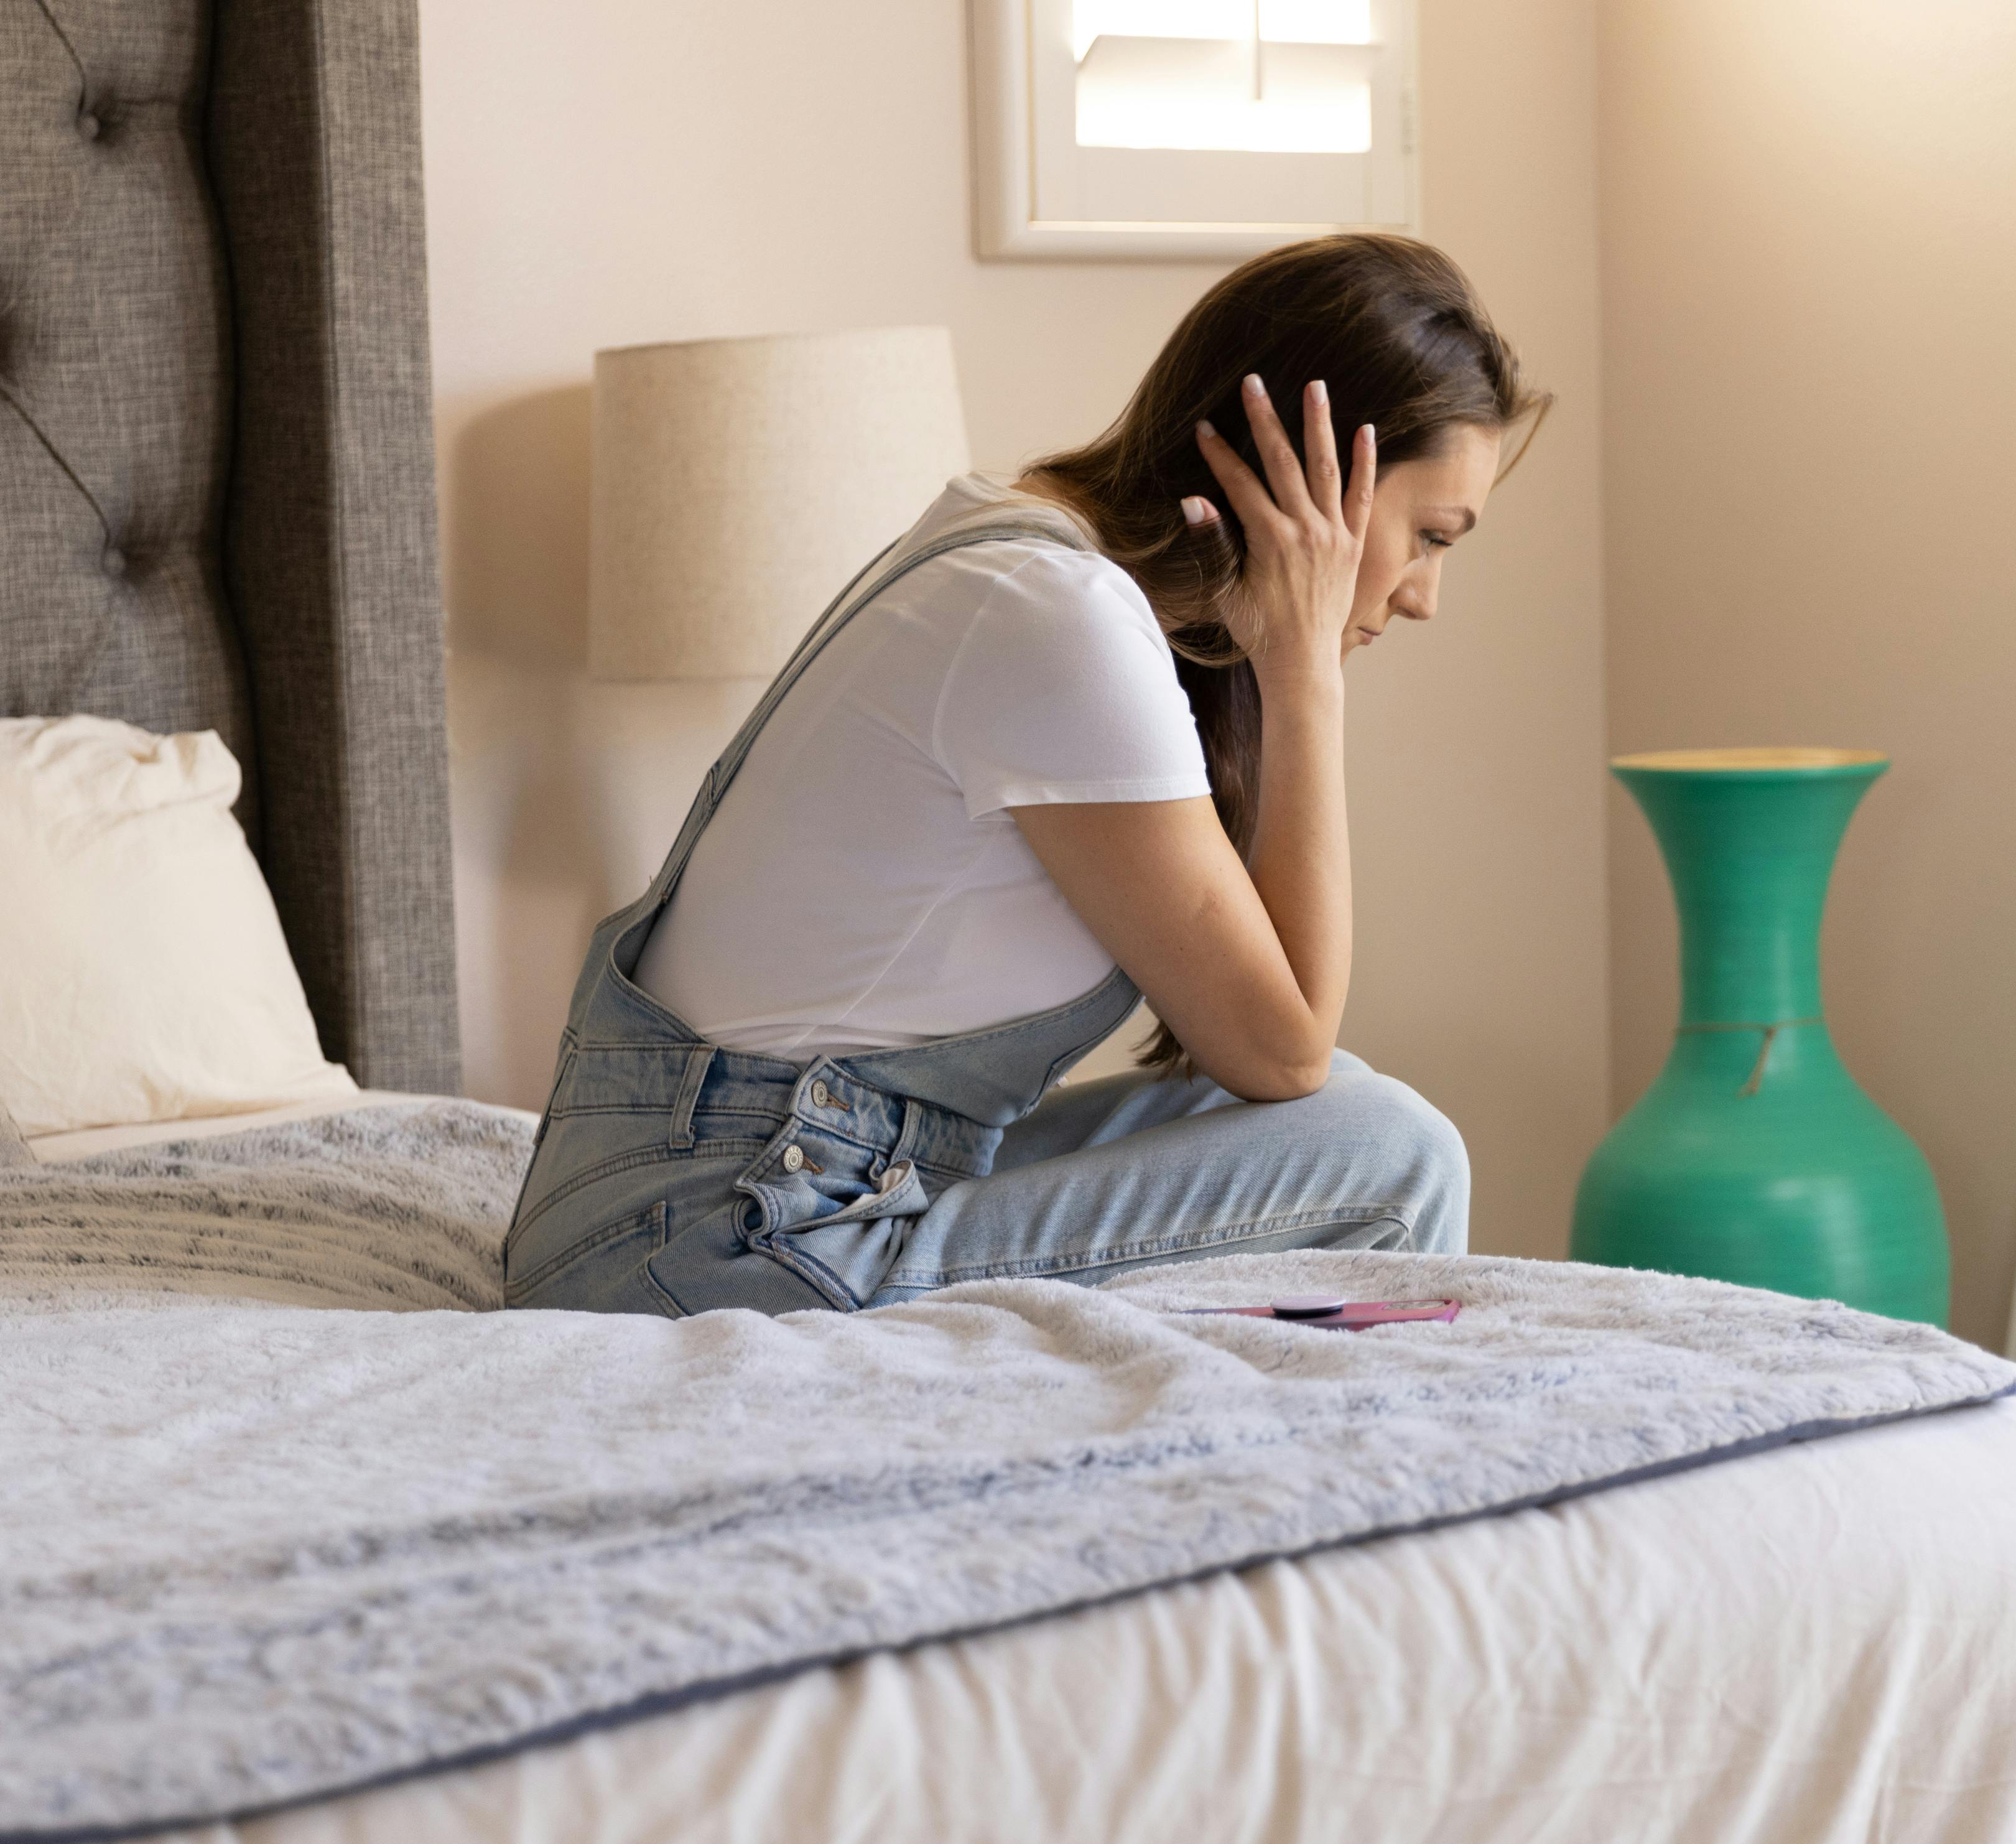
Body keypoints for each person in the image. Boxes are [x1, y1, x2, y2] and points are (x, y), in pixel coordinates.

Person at [503, 235, 1546, 1317]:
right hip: (713, 1238)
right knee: (1394, 1153)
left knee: (1358, 1107)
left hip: (740, 1193)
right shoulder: (1058, 617)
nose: (1425, 593)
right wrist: (1304, 672)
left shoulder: (1028, 552)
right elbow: (1282, 1048)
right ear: (1310, 478)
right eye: (1430, 535)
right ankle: (1375, 1465)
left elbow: (1289, 1054)